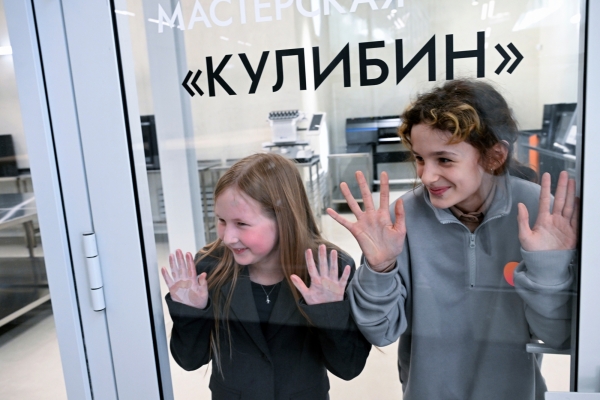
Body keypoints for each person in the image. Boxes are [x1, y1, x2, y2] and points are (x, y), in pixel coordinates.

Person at [328, 79, 578, 400]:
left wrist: (548, 268)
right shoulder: (399, 221)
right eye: (420, 158)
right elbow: (381, 332)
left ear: (494, 156)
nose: (426, 175)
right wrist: (380, 268)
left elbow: (558, 335)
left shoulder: (539, 214)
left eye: (444, 160)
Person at [161, 153, 371, 400]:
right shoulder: (210, 267)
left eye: (241, 223)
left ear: (284, 219)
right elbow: (189, 360)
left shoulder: (330, 269)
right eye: (221, 220)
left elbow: (348, 367)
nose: (227, 237)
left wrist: (329, 310)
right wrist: (192, 313)